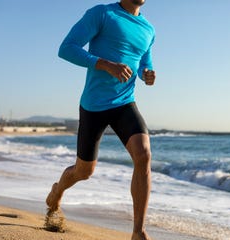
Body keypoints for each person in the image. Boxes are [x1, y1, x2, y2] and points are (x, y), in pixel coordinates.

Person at [45, 0, 156, 239]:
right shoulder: (102, 13)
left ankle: (138, 231)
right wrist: (104, 64)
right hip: (94, 105)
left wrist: (147, 74)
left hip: (125, 102)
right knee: (83, 171)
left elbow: (144, 61)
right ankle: (57, 192)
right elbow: (66, 48)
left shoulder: (148, 28)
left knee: (143, 154)